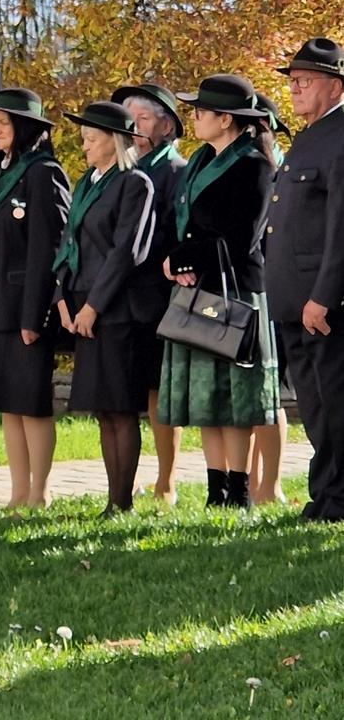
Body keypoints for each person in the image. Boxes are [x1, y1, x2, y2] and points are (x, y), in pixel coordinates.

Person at [158, 74, 279, 509]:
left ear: (226, 119)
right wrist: (176, 262)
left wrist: (184, 259)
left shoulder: (254, 166)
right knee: (206, 396)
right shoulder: (199, 160)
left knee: (235, 397)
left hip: (235, 291)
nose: (193, 117)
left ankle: (239, 492)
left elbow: (241, 236)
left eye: (200, 111)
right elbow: (182, 224)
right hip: (197, 287)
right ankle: (215, 492)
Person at [0, 88, 70, 507]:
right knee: (5, 401)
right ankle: (17, 492)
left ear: (25, 127)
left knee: (30, 401)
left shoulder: (43, 173)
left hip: (24, 306)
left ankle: (39, 493)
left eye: (4, 122)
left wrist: (34, 316)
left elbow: (48, 249)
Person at [54, 101, 156, 515]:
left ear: (114, 142)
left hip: (116, 310)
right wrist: (62, 298)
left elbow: (125, 251)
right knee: (101, 407)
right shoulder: (86, 183)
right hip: (81, 306)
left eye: (91, 140)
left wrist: (94, 306)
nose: (84, 147)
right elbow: (68, 241)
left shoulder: (135, 184)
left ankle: (122, 501)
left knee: (121, 406)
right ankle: (111, 501)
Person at [265, 38, 344, 522]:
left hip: (322, 302)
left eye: (304, 81)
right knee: (315, 407)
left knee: (335, 403)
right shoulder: (307, 137)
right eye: (292, 82)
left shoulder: (340, 137)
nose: (294, 89)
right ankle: (327, 496)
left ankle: (340, 499)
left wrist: (324, 296)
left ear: (335, 87)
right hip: (294, 299)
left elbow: (341, 229)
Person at [111, 82, 186, 504]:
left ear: (166, 127)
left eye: (142, 119)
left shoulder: (175, 171)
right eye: (130, 119)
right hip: (120, 296)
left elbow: (175, 233)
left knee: (160, 391)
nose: (134, 127)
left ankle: (166, 481)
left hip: (157, 295)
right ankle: (130, 477)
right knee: (125, 393)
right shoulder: (120, 170)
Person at [248, 92, 291, 505]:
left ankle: (271, 484)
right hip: (251, 290)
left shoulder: (276, 169)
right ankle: (250, 480)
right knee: (249, 394)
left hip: (271, 290)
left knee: (269, 393)